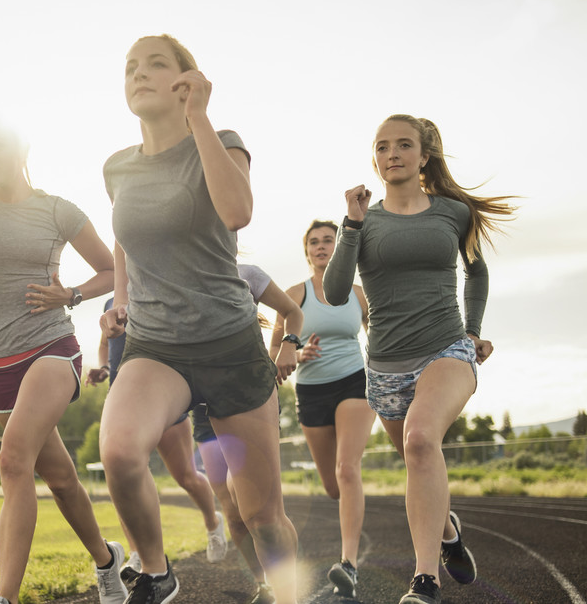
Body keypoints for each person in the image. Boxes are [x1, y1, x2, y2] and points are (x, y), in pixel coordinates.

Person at [97, 34, 299, 604]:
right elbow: (124, 242)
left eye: (155, 64)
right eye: (130, 67)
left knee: (261, 515)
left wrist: (200, 118)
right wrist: (120, 301)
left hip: (231, 346)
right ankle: (158, 573)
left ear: (187, 78)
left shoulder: (223, 141)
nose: (139, 74)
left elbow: (237, 212)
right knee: (118, 451)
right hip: (157, 345)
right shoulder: (117, 169)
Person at [0, 109, 127, 604]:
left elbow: (112, 271)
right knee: (58, 477)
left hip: (52, 349)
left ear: (21, 148)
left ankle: (5, 598)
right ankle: (106, 561)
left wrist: (73, 295)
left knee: (14, 461)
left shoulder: (59, 210)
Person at [323, 115, 516, 604]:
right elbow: (336, 290)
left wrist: (473, 330)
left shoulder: (453, 213)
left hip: (446, 347)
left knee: (421, 439)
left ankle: (423, 581)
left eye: (404, 145)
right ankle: (447, 531)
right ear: (375, 158)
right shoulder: (364, 221)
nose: (393, 153)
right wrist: (351, 223)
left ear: (423, 156)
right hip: (386, 366)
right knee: (418, 458)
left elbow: (476, 272)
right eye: (383, 146)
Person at [272, 220, 375, 599]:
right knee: (333, 486)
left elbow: (379, 337)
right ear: (307, 252)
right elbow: (274, 353)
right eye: (314, 242)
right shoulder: (294, 295)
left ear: (340, 247)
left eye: (328, 241)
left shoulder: (360, 294)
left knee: (348, 469)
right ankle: (349, 528)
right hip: (311, 392)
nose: (321, 247)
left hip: (355, 383)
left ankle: (348, 564)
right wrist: (297, 353)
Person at [190, 262, 304, 604]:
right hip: (203, 408)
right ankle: (264, 586)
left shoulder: (245, 273)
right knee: (234, 513)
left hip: (247, 395)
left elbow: (292, 312)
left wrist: (289, 344)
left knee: (261, 512)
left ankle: (288, 594)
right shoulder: (176, 276)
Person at [86, 298, 229, 571]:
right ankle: (138, 552)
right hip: (123, 402)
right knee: (124, 476)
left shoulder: (159, 293)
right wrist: (104, 368)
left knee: (185, 476)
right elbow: (106, 342)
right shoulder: (110, 302)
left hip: (162, 399)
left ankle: (213, 522)